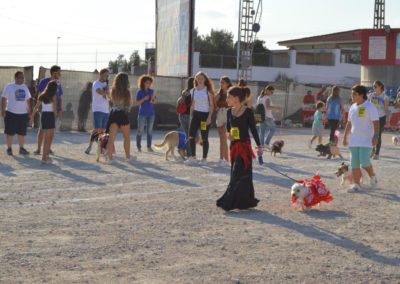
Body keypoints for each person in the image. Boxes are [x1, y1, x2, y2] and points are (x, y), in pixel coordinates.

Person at [216, 86, 263, 211]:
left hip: (245, 147)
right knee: (235, 172)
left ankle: (232, 202)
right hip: (234, 147)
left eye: (229, 97)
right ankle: (243, 202)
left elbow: (253, 130)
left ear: (236, 98)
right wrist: (228, 135)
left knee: (243, 173)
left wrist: (259, 146)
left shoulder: (248, 111)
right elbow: (228, 130)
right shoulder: (228, 111)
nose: (227, 99)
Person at [343, 85, 379, 192]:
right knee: (354, 162)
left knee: (364, 161)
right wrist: (345, 136)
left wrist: (375, 136)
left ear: (361, 95)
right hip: (354, 139)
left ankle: (372, 175)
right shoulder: (352, 107)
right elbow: (349, 123)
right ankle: (356, 184)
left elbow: (376, 123)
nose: (352, 96)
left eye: (354, 93)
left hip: (366, 139)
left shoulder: (370, 106)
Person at [184, 71, 215, 166]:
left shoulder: (207, 91)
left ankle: (204, 159)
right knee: (191, 136)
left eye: (202, 78)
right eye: (198, 78)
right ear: (196, 79)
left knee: (204, 137)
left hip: (204, 117)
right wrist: (191, 117)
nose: (200, 80)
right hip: (195, 116)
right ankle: (193, 157)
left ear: (205, 79)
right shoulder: (193, 91)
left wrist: (209, 117)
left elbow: (211, 106)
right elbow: (192, 105)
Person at [106, 72, 135, 163]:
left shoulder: (112, 91)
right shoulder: (127, 92)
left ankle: (109, 158)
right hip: (122, 115)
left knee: (111, 138)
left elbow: (110, 103)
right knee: (126, 137)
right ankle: (128, 157)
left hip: (113, 114)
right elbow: (129, 107)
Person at [34, 65, 63, 155]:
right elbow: (39, 94)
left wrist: (60, 108)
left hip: (54, 111)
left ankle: (48, 148)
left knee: (51, 131)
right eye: (58, 72)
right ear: (54, 72)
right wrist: (38, 106)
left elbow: (60, 97)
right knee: (42, 130)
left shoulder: (58, 83)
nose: (60, 74)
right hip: (44, 110)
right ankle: (39, 148)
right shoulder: (44, 81)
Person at [1, 71, 32, 156]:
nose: (21, 79)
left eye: (23, 77)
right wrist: (3, 111)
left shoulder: (25, 87)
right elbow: (4, 98)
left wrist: (29, 110)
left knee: (22, 133)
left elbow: (28, 99)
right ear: (15, 78)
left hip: (23, 114)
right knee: (10, 132)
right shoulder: (9, 86)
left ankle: (21, 149)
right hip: (11, 113)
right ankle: (9, 149)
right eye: (20, 77)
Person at [31, 81, 58, 164]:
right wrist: (56, 115)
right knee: (48, 138)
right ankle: (44, 158)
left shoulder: (42, 95)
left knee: (47, 138)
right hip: (50, 116)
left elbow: (36, 107)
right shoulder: (53, 96)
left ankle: (45, 156)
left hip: (43, 116)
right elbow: (54, 110)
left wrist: (32, 116)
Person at [85, 69, 110, 154]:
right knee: (97, 130)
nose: (107, 77)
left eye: (108, 75)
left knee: (103, 131)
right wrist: (109, 92)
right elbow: (100, 92)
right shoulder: (96, 83)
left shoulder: (106, 84)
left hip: (106, 110)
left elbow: (107, 95)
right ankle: (90, 146)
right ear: (101, 75)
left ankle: (101, 147)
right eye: (106, 75)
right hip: (98, 110)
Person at [368, 80, 389, 160]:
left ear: (380, 87)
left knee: (378, 135)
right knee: (371, 135)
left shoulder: (384, 97)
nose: (374, 88)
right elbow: (368, 106)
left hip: (381, 118)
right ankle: (372, 149)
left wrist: (388, 120)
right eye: (373, 86)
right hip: (372, 118)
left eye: (375, 86)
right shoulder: (370, 96)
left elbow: (386, 109)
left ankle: (377, 153)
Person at [135, 75, 156, 152]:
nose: (149, 84)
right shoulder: (140, 92)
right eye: (147, 83)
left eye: (150, 83)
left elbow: (154, 102)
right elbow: (137, 103)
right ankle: (138, 147)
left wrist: (153, 99)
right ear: (143, 83)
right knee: (140, 130)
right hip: (142, 114)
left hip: (151, 114)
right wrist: (144, 99)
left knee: (149, 131)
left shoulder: (152, 91)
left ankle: (149, 147)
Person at [215, 76, 232, 166]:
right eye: (220, 82)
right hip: (220, 114)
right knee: (222, 139)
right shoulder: (220, 93)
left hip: (228, 114)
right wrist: (216, 106)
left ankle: (223, 159)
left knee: (224, 138)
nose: (221, 84)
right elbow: (213, 101)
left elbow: (234, 103)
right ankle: (225, 160)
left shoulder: (231, 92)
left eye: (223, 82)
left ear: (228, 84)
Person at [177, 77, 194, 156]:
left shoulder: (184, 92)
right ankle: (185, 150)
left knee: (188, 135)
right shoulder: (193, 92)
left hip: (182, 115)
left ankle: (187, 152)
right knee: (192, 135)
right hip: (188, 116)